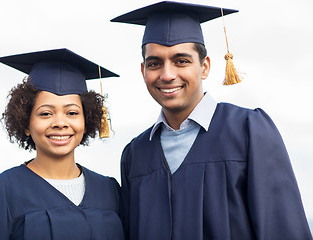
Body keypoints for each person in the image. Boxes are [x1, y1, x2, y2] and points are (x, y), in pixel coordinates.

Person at [111, 1, 312, 239]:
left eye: (181, 61)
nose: (167, 74)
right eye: (155, 63)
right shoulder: (135, 154)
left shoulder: (248, 130)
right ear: (143, 71)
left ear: (204, 67)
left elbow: (282, 229)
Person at [0, 48, 125, 239]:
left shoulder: (109, 191)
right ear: (26, 123)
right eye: (46, 113)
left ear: (87, 121)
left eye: (72, 113)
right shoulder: (0, 192)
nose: (60, 123)